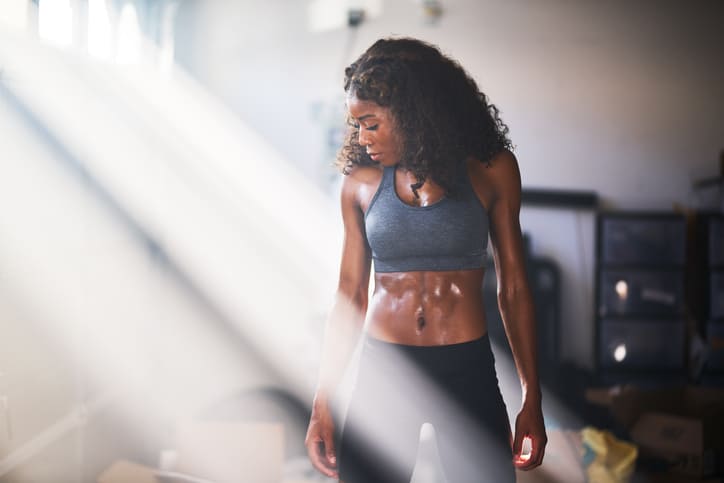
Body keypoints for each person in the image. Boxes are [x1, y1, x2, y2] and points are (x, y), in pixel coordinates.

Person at [305, 37, 546, 483]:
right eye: (357, 125)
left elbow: (513, 288)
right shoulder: (359, 183)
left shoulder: (492, 170)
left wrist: (532, 396)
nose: (362, 138)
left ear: (410, 113)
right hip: (385, 371)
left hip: (466, 367)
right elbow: (350, 294)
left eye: (372, 123)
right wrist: (323, 399)